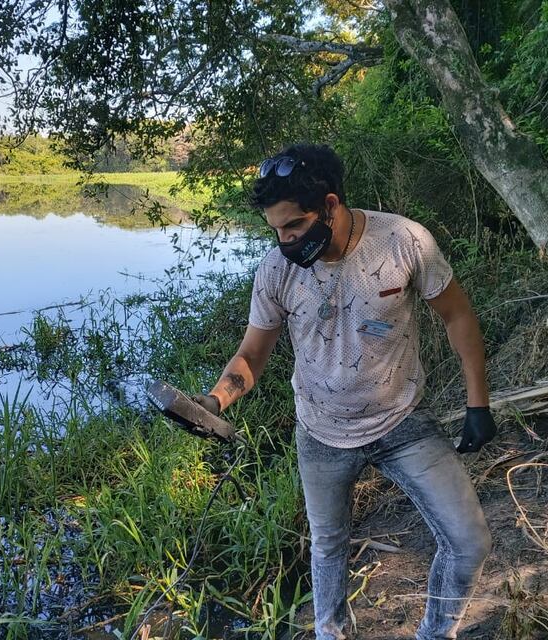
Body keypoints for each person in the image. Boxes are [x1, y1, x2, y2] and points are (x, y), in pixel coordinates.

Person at [192, 143, 496, 639]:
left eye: (294, 226)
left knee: (469, 541)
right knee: (328, 546)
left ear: (330, 205)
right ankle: (330, 633)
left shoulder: (403, 241)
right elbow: (251, 354)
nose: (285, 240)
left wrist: (477, 403)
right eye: (276, 230)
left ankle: (436, 633)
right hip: (320, 431)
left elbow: (457, 314)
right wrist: (213, 401)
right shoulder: (276, 269)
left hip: (403, 422)